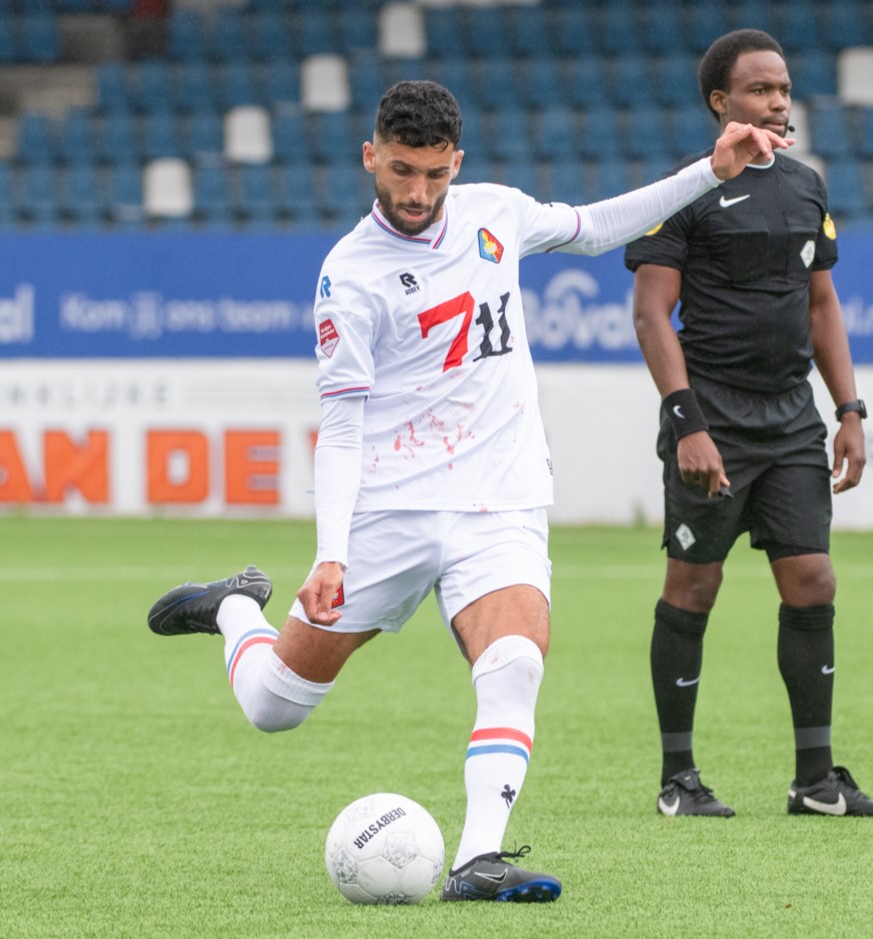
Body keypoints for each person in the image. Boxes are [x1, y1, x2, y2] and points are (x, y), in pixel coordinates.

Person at [147, 80, 791, 901]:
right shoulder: (350, 276)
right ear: (372, 155)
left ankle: (477, 858)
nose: (417, 194)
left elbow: (595, 228)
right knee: (275, 705)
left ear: (458, 162)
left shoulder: (496, 211)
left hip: (500, 496)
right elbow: (341, 427)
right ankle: (234, 605)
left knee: (516, 658)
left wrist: (711, 168)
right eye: (402, 172)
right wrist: (331, 552)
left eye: (434, 176)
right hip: (392, 506)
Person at [624, 30, 873, 819]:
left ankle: (815, 779)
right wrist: (687, 424)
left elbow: (822, 305)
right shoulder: (684, 191)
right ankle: (679, 778)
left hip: (790, 422)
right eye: (758, 90)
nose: (777, 101)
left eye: (782, 88)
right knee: (695, 584)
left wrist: (848, 411)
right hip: (710, 418)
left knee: (813, 579)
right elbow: (651, 313)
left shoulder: (808, 186)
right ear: (722, 103)